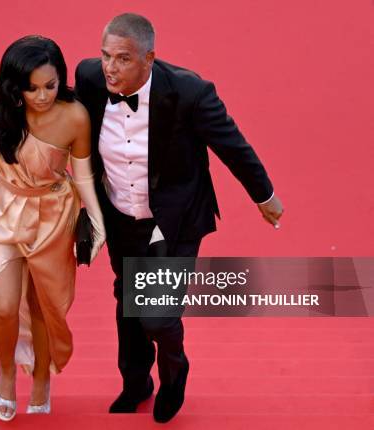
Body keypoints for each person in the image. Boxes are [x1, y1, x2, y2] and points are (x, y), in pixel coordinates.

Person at [75, 13, 284, 423]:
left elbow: (232, 145)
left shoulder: (190, 91)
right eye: (105, 56)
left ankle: (174, 376)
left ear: (149, 58)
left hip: (174, 217)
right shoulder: (90, 79)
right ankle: (136, 382)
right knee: (128, 299)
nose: (110, 68)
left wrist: (265, 195)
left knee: (156, 313)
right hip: (120, 213)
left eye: (122, 59)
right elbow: (55, 110)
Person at [0, 35, 105, 421]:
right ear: (13, 84)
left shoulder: (75, 116)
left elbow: (83, 175)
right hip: (0, 209)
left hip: (53, 216)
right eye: (31, 87)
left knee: (44, 305)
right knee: (1, 303)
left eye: (50, 86)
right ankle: (6, 374)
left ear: (62, 80)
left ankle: (41, 377)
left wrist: (97, 220)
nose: (41, 96)